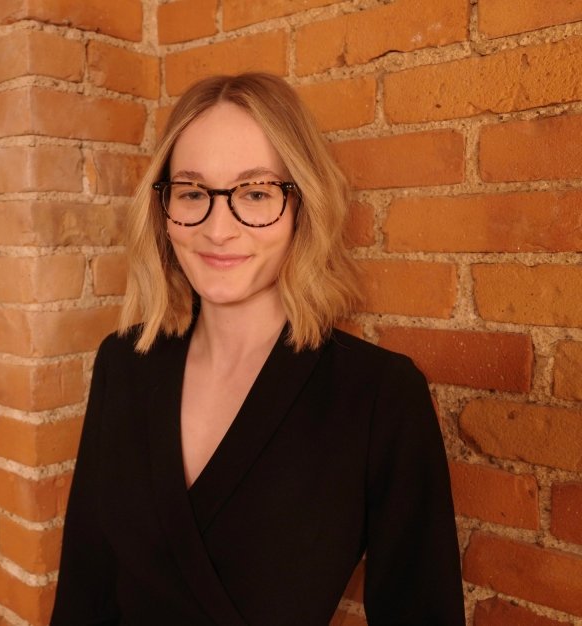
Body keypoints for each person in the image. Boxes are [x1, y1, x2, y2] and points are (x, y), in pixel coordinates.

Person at [49, 73, 465, 625]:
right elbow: (84, 593)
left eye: (255, 193)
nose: (218, 229)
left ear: (302, 206)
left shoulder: (378, 398)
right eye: (193, 193)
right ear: (163, 209)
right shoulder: (123, 364)